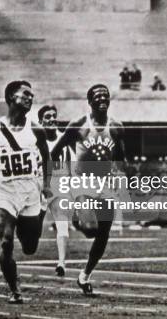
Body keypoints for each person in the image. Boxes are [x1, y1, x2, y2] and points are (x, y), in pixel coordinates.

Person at [0, 80, 51, 303]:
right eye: (25, 94)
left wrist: (46, 185)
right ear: (10, 98)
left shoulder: (36, 129)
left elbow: (47, 159)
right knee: (7, 241)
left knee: (29, 247)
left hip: (30, 191)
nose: (30, 98)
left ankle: (40, 213)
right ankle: (14, 289)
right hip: (4, 191)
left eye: (32, 95)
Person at [51, 84, 126, 295]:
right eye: (98, 96)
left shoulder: (117, 127)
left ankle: (85, 276)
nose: (103, 99)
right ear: (90, 101)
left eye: (106, 96)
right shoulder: (79, 125)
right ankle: (76, 217)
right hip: (83, 181)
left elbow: (120, 157)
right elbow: (56, 151)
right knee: (90, 228)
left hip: (106, 183)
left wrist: (120, 176)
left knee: (103, 232)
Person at [38, 104, 72, 277]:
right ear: (41, 121)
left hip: (60, 185)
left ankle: (61, 262)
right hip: (40, 186)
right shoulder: (36, 140)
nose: (52, 119)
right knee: (32, 229)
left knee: (62, 224)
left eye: (54, 115)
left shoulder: (64, 139)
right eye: (47, 116)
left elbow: (72, 165)